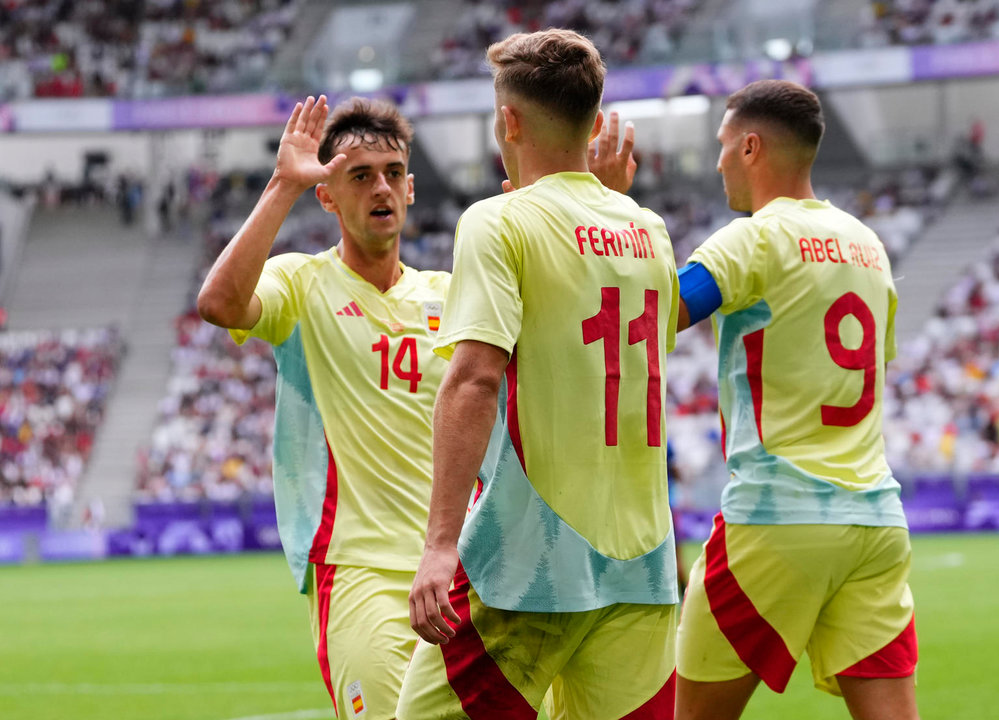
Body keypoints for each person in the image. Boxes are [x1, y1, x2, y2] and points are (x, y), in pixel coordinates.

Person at [597, 79, 918, 720]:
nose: (716, 162)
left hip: (777, 519)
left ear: (749, 146)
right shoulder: (869, 247)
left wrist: (605, 208)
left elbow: (645, 316)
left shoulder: (752, 238)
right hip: (876, 522)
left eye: (721, 145)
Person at [398, 29, 680, 720]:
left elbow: (473, 381)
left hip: (525, 563)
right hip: (642, 565)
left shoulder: (499, 223)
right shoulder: (650, 230)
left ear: (510, 120)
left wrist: (438, 546)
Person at [197, 95, 449, 720]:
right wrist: (283, 182)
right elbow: (221, 304)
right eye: (359, 176)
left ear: (411, 189)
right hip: (359, 570)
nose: (380, 187)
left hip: (458, 567)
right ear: (327, 195)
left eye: (392, 173)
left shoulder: (452, 293)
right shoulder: (302, 284)